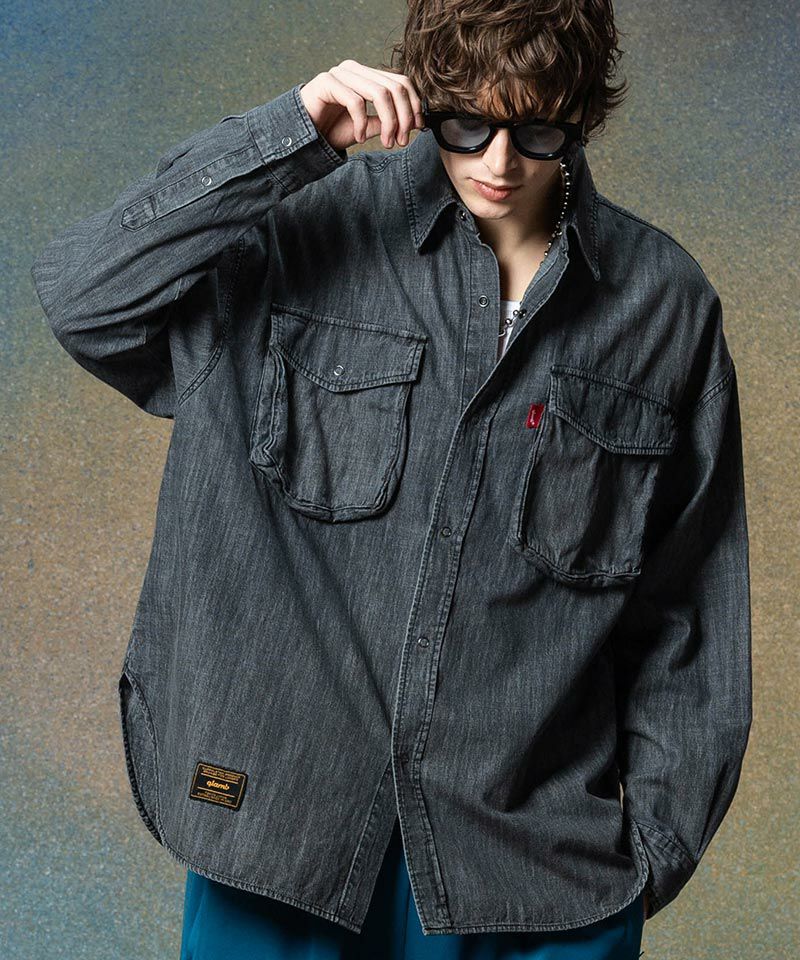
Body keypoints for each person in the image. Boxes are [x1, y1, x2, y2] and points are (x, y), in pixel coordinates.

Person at [30, 1, 752, 958]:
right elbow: (87, 301)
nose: (501, 162)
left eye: (539, 130)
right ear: (429, 94)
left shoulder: (663, 307)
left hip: (534, 880)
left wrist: (645, 859)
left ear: (581, 114)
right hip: (279, 839)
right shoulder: (301, 230)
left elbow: (688, 608)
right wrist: (292, 132)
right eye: (469, 124)